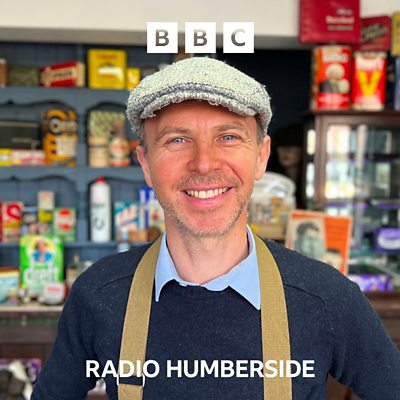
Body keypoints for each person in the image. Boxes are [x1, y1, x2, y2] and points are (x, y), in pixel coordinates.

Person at [32, 57, 400, 400]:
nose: (204, 164)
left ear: (261, 156)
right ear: (145, 164)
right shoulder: (98, 295)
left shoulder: (327, 298)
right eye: (177, 140)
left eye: (228, 137)